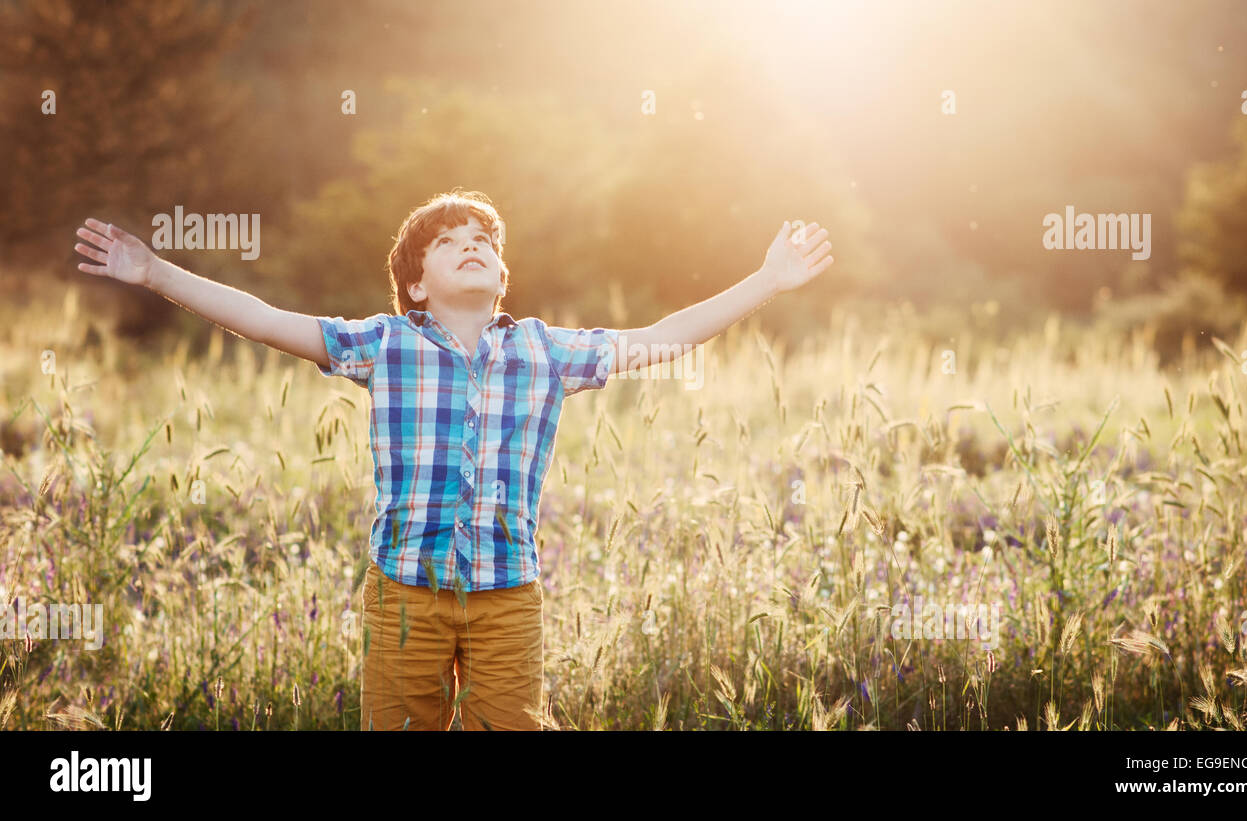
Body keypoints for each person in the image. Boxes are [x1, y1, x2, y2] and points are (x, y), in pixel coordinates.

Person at [74, 189, 833, 730]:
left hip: (508, 596)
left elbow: (666, 333)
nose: (473, 244)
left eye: (486, 241)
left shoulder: (545, 350)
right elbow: (266, 321)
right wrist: (156, 273)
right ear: (415, 283)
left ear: (502, 276)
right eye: (448, 240)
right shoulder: (385, 342)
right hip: (404, 593)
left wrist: (769, 281)